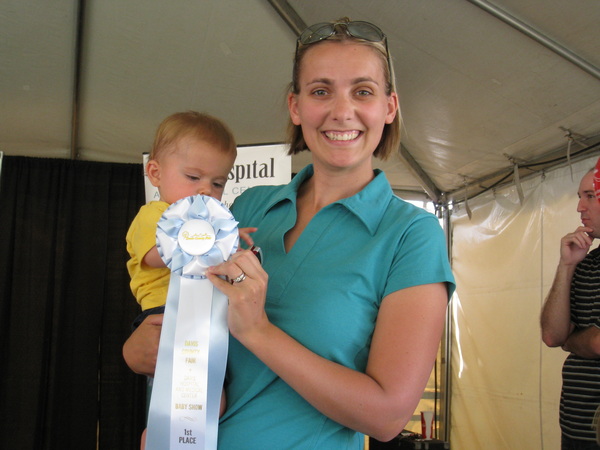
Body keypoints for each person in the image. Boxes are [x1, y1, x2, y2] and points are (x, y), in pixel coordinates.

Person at [124, 18, 455, 449]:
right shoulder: (249, 206)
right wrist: (140, 351)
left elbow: (388, 416)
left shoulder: (412, 235)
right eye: (321, 91)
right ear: (295, 107)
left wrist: (258, 331)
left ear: (389, 107)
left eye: (363, 91)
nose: (341, 111)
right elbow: (191, 321)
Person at [125, 111, 255, 448]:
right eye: (193, 177)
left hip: (200, 319)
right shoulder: (153, 216)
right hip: (164, 316)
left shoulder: (208, 224)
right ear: (155, 173)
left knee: (213, 401)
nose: (205, 191)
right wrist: (209, 235)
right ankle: (152, 439)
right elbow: (156, 255)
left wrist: (228, 241)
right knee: (177, 397)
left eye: (217, 183)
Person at [541, 167, 600, 449]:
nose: (580, 207)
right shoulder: (587, 264)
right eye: (580, 196)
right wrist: (567, 266)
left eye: (590, 195)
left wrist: (574, 340)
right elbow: (553, 336)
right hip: (576, 428)